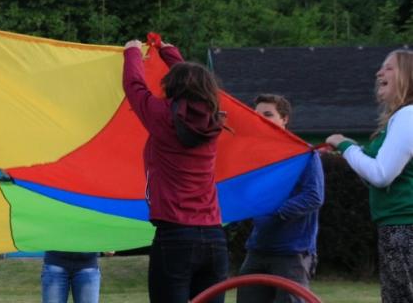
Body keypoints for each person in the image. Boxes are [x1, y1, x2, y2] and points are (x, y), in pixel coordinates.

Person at [122, 39, 228, 303]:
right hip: (215, 237)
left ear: (172, 87)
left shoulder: (162, 117)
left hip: (175, 235)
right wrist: (169, 53)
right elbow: (194, 84)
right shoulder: (213, 120)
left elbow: (134, 87)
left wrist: (132, 51)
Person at [326, 49, 413, 303]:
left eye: (389, 68)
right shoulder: (402, 119)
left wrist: (345, 145)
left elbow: (381, 174)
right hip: (397, 227)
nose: (379, 72)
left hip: (405, 229)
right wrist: (355, 151)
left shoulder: (407, 116)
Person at [238, 94, 324, 303]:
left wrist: (276, 211)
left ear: (284, 119)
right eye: (257, 115)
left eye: (268, 114)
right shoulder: (254, 158)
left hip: (292, 252)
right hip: (258, 249)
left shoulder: (303, 154)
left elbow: (314, 196)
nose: (261, 120)